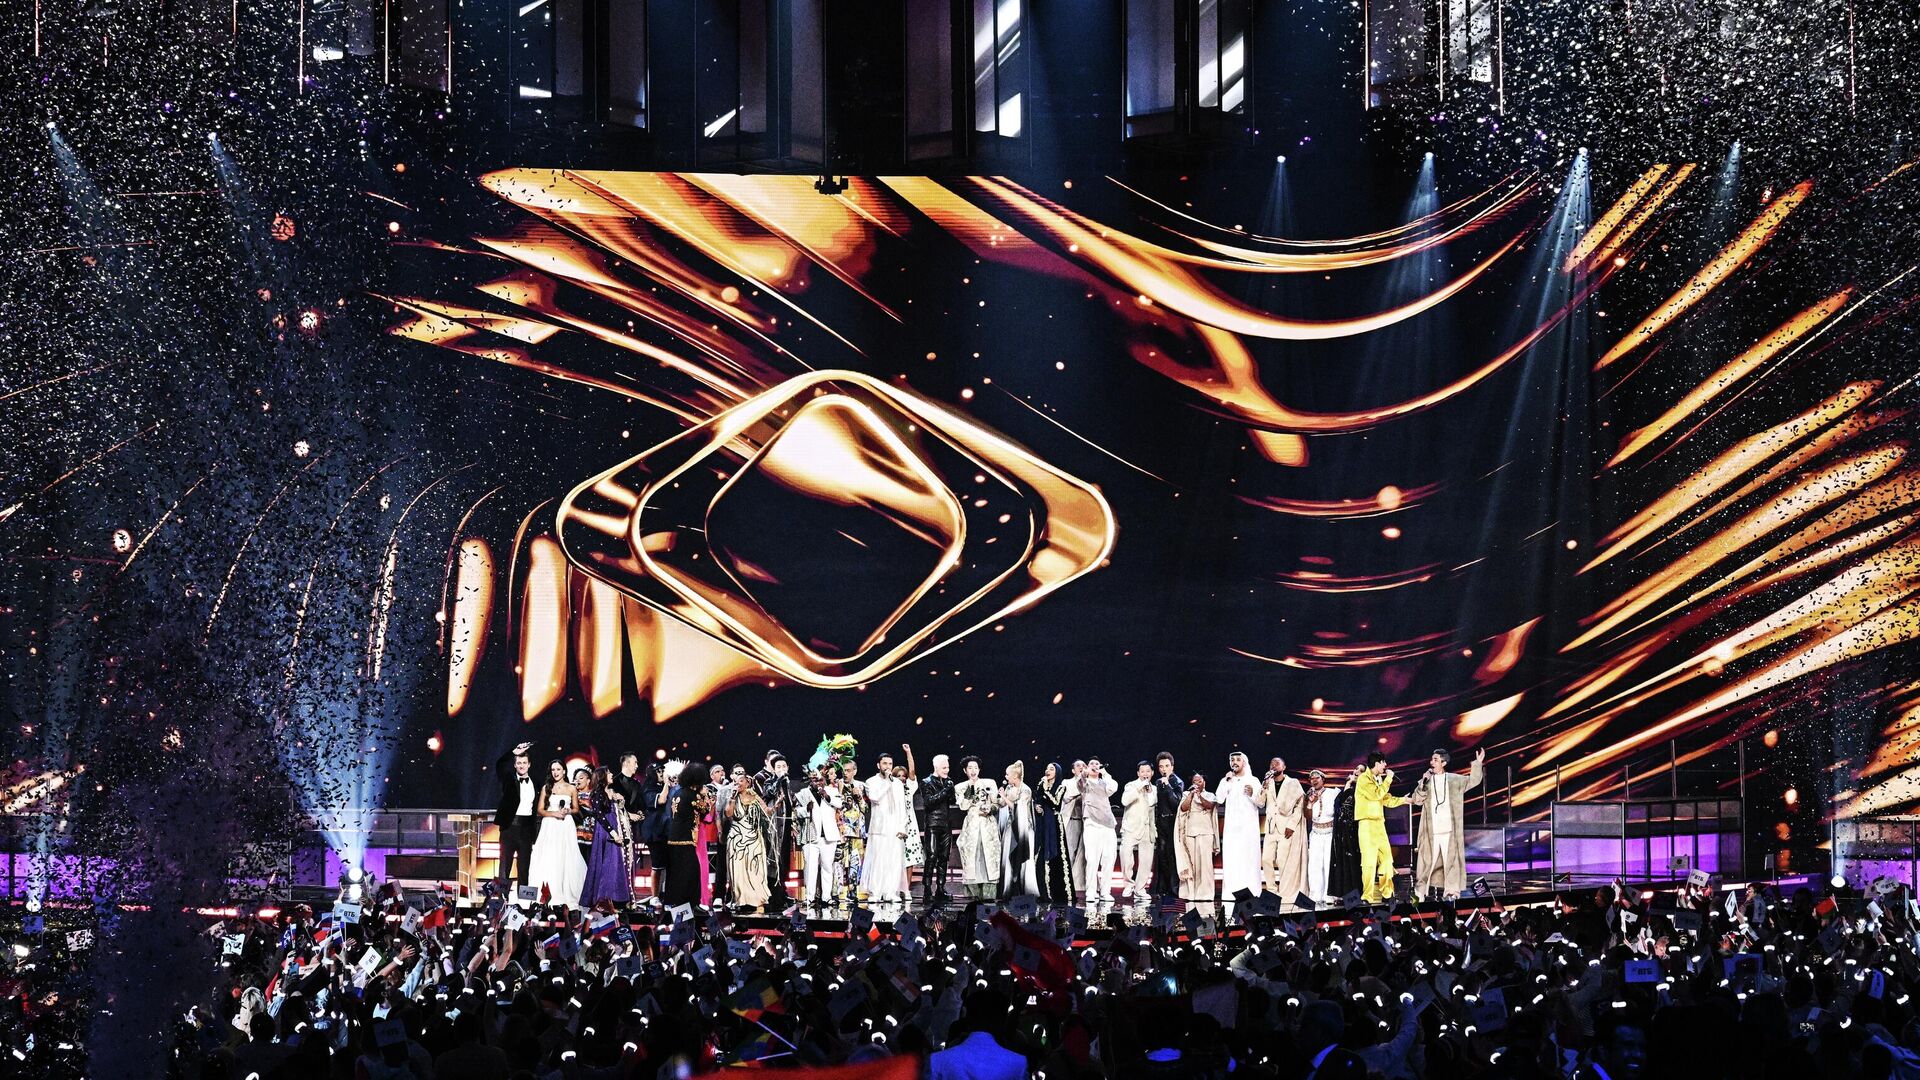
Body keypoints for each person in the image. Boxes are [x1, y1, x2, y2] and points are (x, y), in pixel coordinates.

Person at [1411, 747, 1485, 901]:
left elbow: (1473, 781)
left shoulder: (1455, 780)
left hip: (1449, 830)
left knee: (1451, 861)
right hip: (1431, 830)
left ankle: (1451, 891)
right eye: (1432, 759)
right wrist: (1423, 782)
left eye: (1435, 760)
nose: (1432, 762)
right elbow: (1416, 800)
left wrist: (1477, 763)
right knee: (1426, 862)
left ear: (1443, 763)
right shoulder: (1425, 781)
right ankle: (1420, 891)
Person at [527, 760, 587, 908]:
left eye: (558, 769)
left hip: (566, 825)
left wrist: (567, 811)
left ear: (564, 771)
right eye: (553, 769)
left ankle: (567, 891)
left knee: (566, 856)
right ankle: (547, 892)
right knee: (549, 856)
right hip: (550, 825)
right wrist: (554, 813)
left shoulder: (571, 788)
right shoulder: (546, 787)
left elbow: (576, 808)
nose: (555, 772)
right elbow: (540, 810)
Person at [1212, 752, 1261, 921]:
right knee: (1232, 865)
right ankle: (1229, 905)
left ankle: (1252, 902)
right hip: (1232, 832)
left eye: (1238, 760)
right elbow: (1219, 799)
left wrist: (1252, 794)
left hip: (1248, 832)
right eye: (1232, 760)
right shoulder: (1227, 780)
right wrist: (1226, 781)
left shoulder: (1253, 781)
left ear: (1244, 763)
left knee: (1249, 864)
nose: (1234, 762)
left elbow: (1261, 802)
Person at [1355, 751, 1407, 905]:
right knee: (1369, 862)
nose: (1386, 766)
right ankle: (1367, 896)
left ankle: (1387, 893)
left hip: (1379, 824)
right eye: (1384, 762)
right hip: (1367, 824)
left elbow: (1385, 799)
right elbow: (1376, 795)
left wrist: (1404, 800)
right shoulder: (1364, 779)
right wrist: (1389, 778)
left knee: (1387, 860)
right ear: (1377, 763)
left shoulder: (1378, 780)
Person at [860, 749, 911, 903]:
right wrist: (887, 783)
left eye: (890, 764)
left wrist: (903, 826)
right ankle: (875, 892)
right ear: (878, 765)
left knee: (893, 861)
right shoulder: (871, 782)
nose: (888, 767)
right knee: (878, 861)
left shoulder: (898, 784)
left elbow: (902, 806)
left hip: (895, 828)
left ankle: (891, 892)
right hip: (879, 828)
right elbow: (875, 797)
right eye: (885, 764)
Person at [578, 766, 633, 907]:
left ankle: (614, 898)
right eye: (609, 773)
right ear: (602, 776)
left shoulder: (612, 792)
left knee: (615, 863)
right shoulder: (597, 793)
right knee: (606, 863)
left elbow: (617, 812)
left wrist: (620, 801)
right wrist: (613, 833)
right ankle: (602, 898)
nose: (612, 774)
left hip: (615, 827)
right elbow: (599, 816)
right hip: (604, 831)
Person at [1262, 755, 1309, 906]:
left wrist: (1292, 825)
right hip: (1271, 827)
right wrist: (1263, 786)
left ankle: (1284, 891)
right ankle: (1271, 890)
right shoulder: (1268, 783)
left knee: (1282, 860)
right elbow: (1260, 802)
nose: (1273, 765)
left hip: (1285, 827)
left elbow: (1300, 805)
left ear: (1284, 767)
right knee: (1266, 859)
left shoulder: (1292, 783)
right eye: (1271, 763)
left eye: (1277, 763)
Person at [793, 764, 842, 910]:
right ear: (810, 780)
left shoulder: (832, 791)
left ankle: (826, 897)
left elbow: (839, 804)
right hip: (811, 836)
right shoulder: (803, 793)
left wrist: (826, 796)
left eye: (820, 780)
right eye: (814, 780)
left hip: (828, 836)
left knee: (827, 866)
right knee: (810, 866)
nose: (817, 783)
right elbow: (796, 812)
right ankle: (810, 897)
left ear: (824, 780)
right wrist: (805, 809)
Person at [1075, 758, 1119, 913]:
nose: (1094, 765)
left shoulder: (1105, 782)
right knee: (1092, 859)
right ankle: (1091, 891)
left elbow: (1114, 787)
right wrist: (1084, 774)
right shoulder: (1085, 783)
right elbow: (1080, 785)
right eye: (1091, 763)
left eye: (1096, 763)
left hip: (1107, 824)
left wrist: (1104, 773)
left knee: (1108, 859)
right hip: (1091, 823)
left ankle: (1105, 892)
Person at [955, 756, 1003, 901]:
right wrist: (970, 792)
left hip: (988, 825)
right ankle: (973, 900)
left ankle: (989, 899)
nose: (973, 770)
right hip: (972, 825)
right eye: (970, 768)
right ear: (965, 770)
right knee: (972, 857)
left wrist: (990, 808)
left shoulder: (989, 783)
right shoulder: (960, 787)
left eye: (976, 767)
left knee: (989, 857)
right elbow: (963, 806)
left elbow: (997, 803)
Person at [493, 741, 538, 885]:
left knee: (524, 868)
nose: (522, 765)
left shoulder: (535, 782)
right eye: (519, 763)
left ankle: (523, 898)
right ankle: (501, 897)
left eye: (524, 763)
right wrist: (514, 751)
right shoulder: (509, 780)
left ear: (529, 764)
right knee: (505, 867)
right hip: (509, 828)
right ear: (514, 765)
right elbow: (500, 764)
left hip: (526, 830)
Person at [752, 751, 793, 912]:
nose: (782, 769)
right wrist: (779, 780)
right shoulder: (770, 781)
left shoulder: (788, 783)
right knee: (774, 859)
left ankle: (781, 894)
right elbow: (768, 793)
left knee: (784, 861)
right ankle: (773, 897)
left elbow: (790, 802)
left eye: (784, 766)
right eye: (778, 767)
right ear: (774, 769)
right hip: (774, 826)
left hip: (786, 824)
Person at [1175, 771, 1219, 918]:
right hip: (1190, 833)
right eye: (1194, 781)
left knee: (1205, 865)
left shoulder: (1210, 795)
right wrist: (1191, 794)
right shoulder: (1186, 794)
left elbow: (1209, 806)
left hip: (1205, 832)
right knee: (1191, 865)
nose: (1196, 783)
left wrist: (1199, 795)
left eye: (1199, 781)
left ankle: (1205, 894)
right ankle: (1191, 893)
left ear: (1204, 782)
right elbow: (1183, 808)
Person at [727, 777, 773, 913]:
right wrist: (732, 798)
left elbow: (767, 811)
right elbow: (728, 813)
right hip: (737, 839)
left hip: (754, 838)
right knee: (738, 870)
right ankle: (741, 900)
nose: (738, 783)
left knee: (755, 869)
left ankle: (757, 899)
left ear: (748, 783)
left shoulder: (754, 796)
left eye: (741, 780)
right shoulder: (732, 797)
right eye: (736, 781)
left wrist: (777, 805)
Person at [918, 753, 958, 908]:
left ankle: (941, 888)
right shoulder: (926, 782)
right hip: (933, 824)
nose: (947, 770)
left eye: (948, 767)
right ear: (936, 767)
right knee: (932, 856)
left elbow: (952, 801)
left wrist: (950, 790)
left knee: (944, 857)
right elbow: (929, 802)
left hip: (946, 824)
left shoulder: (948, 782)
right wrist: (945, 791)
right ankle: (927, 888)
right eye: (944, 767)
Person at [660, 760, 701, 906]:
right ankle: (689, 904)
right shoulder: (693, 795)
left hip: (672, 837)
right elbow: (704, 809)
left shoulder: (676, 793)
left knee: (675, 872)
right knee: (691, 872)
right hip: (686, 838)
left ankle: (673, 902)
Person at [1118, 761, 1158, 901]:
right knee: (1125, 855)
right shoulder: (1131, 785)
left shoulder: (1154, 788)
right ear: (1138, 773)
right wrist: (1140, 787)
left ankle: (1140, 889)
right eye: (1142, 771)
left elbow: (1153, 804)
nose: (1145, 774)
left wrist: (1150, 791)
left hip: (1147, 828)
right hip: (1131, 827)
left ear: (1152, 773)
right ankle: (1128, 884)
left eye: (1148, 771)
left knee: (1146, 860)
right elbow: (1124, 801)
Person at [998, 761, 1038, 898]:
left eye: (1007, 774)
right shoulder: (1009, 788)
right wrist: (997, 797)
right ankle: (1009, 889)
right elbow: (1002, 804)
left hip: (1023, 829)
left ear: (1015, 776)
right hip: (1010, 827)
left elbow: (1018, 808)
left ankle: (1024, 890)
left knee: (1023, 860)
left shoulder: (1026, 790)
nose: (1006, 777)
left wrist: (1004, 797)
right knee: (1007, 858)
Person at [1151, 752, 1185, 901]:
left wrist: (1168, 787)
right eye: (1161, 766)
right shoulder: (1158, 782)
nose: (1164, 769)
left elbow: (1176, 803)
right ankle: (1162, 889)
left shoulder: (1177, 782)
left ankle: (1174, 889)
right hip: (1161, 822)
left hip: (1172, 822)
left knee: (1172, 856)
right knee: (1162, 856)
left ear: (1172, 766)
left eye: (1166, 766)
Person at [1035, 762, 1069, 903]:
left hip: (1054, 824)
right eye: (1047, 768)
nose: (1047, 771)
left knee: (1055, 857)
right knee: (1040, 856)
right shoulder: (1041, 784)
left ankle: (1055, 894)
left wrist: (1045, 790)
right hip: (1042, 822)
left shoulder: (1061, 787)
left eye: (1051, 769)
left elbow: (1056, 803)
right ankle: (1042, 893)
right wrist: (1037, 807)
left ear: (1057, 772)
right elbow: (1037, 799)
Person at [1328, 765, 1363, 901]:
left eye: (1361, 770)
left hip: (1355, 830)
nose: (1356, 772)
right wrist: (1348, 783)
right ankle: (1342, 894)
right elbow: (1338, 805)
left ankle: (1355, 894)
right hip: (1341, 831)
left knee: (1353, 862)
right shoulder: (1346, 790)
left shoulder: (1363, 791)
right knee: (1342, 861)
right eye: (1356, 769)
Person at [836, 758, 867, 905]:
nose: (845, 773)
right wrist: (840, 791)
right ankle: (837, 892)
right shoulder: (837, 784)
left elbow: (865, 809)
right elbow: (836, 806)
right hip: (841, 829)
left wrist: (859, 796)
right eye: (843, 771)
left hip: (857, 830)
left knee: (855, 862)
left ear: (855, 771)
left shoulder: (861, 785)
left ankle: (853, 891)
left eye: (848, 771)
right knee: (840, 861)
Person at [1306, 769, 1338, 904]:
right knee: (1315, 865)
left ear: (1323, 779)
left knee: (1328, 863)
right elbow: (1308, 817)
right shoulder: (1308, 795)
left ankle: (1329, 895)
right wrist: (1310, 803)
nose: (1314, 780)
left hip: (1329, 833)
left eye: (1317, 778)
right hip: (1316, 834)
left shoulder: (1332, 793)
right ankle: (1315, 895)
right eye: (1311, 778)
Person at [897, 750, 925, 898]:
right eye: (899, 776)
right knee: (897, 858)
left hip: (910, 827)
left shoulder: (909, 788)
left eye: (903, 776)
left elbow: (912, 772)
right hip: (896, 826)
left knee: (910, 859)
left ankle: (906, 889)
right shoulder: (890, 789)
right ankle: (896, 888)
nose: (902, 778)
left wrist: (909, 753)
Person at [1060, 760, 1086, 900]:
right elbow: (1065, 798)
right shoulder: (1067, 782)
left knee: (1083, 854)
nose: (1081, 767)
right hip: (1071, 820)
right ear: (1072, 770)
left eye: (1083, 765)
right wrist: (1080, 790)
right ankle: (1066, 882)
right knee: (1069, 851)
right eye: (1078, 765)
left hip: (1086, 822)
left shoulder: (1089, 782)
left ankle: (1080, 883)